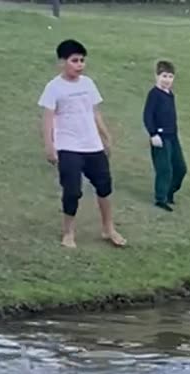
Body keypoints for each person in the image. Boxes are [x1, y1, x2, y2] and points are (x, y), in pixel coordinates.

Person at [39, 38, 126, 249]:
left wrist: (106, 137)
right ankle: (68, 233)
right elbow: (48, 118)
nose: (79, 65)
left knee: (104, 186)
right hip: (68, 146)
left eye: (82, 61)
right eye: (75, 60)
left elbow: (94, 112)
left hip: (92, 145)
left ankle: (108, 228)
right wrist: (49, 146)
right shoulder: (54, 87)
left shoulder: (88, 84)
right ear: (62, 62)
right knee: (72, 191)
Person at [143, 59, 187, 212]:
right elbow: (147, 115)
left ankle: (169, 192)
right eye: (164, 76)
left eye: (170, 77)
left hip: (172, 136)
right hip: (160, 137)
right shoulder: (154, 94)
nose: (167, 80)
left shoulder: (169, 95)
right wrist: (153, 134)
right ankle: (160, 198)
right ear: (156, 76)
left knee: (180, 167)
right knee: (164, 168)